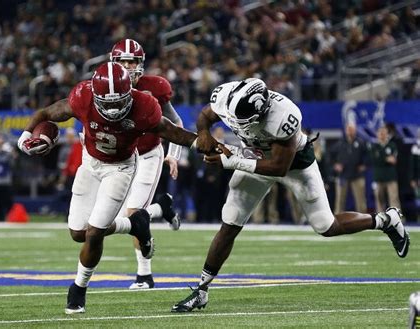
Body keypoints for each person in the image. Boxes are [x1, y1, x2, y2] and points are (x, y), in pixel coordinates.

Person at [171, 78, 410, 313]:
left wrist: (232, 160)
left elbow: (278, 168)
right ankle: (201, 290)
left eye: (245, 121)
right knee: (230, 223)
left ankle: (385, 220)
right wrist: (203, 132)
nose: (239, 126)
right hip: (253, 157)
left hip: (295, 165)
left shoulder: (285, 115)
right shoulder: (227, 95)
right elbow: (205, 116)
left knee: (326, 225)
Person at [17, 62, 206, 315]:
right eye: (108, 103)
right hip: (90, 164)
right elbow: (46, 113)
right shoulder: (83, 96)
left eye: (120, 101)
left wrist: (201, 143)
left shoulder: (144, 104)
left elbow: (171, 130)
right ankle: (135, 224)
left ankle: (78, 289)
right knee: (78, 233)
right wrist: (24, 138)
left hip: (120, 168)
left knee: (95, 232)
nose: (115, 108)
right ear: (95, 96)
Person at [110, 39, 182, 289]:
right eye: (123, 61)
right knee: (114, 219)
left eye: (133, 61)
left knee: (133, 215)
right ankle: (162, 207)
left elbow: (175, 123)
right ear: (114, 64)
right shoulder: (105, 87)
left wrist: (174, 154)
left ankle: (144, 276)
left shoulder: (156, 86)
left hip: (150, 153)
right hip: (123, 157)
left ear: (141, 63)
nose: (129, 66)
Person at [332, 123, 367, 213]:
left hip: (357, 175)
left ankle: (363, 220)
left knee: (360, 200)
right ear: (346, 131)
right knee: (339, 200)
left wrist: (364, 165)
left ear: (355, 131)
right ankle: (338, 220)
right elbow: (330, 156)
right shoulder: (340, 143)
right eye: (348, 129)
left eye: (352, 130)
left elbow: (368, 156)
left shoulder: (360, 142)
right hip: (342, 175)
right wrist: (335, 164)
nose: (350, 132)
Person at [368, 126, 400, 213]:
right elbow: (374, 160)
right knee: (379, 200)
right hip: (378, 177)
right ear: (377, 135)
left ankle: (396, 218)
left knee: (394, 199)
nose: (382, 135)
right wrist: (386, 159)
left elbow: (394, 160)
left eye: (384, 133)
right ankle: (381, 219)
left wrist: (380, 158)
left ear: (387, 134)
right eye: (380, 133)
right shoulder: (374, 146)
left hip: (391, 177)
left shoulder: (392, 145)